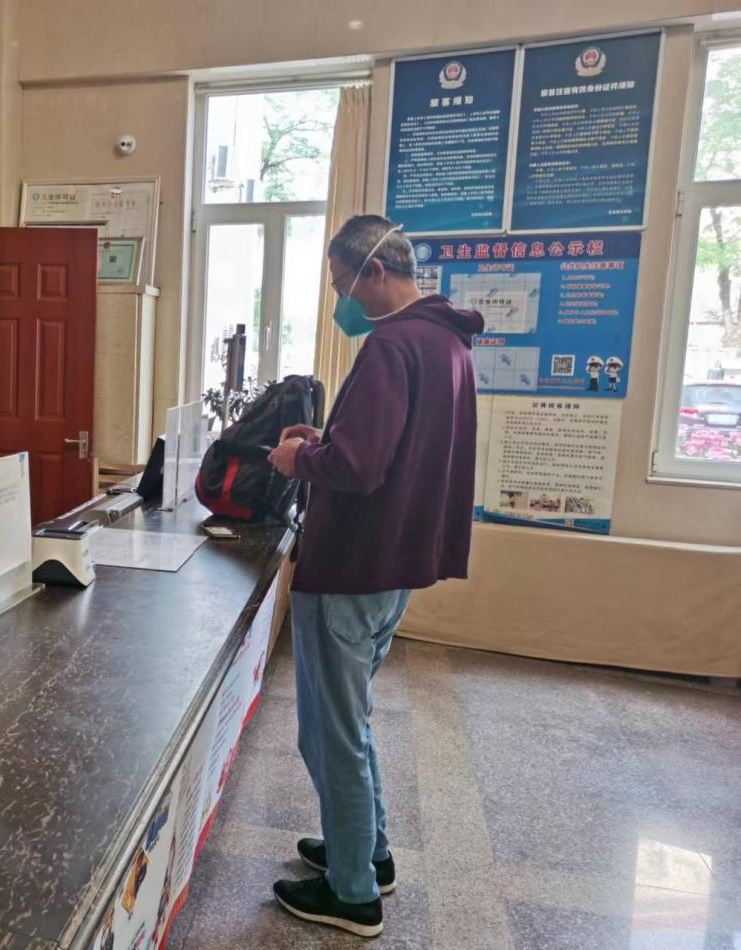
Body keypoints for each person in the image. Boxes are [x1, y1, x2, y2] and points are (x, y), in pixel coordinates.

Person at [267, 215, 482, 938]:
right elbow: (397, 449)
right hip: (396, 562)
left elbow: (358, 469)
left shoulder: (391, 343)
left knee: (329, 734)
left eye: (341, 284)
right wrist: (326, 441)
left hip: (351, 566)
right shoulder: (447, 340)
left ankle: (353, 894)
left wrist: (299, 458)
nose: (341, 300)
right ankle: (369, 853)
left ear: (375, 273)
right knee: (350, 719)